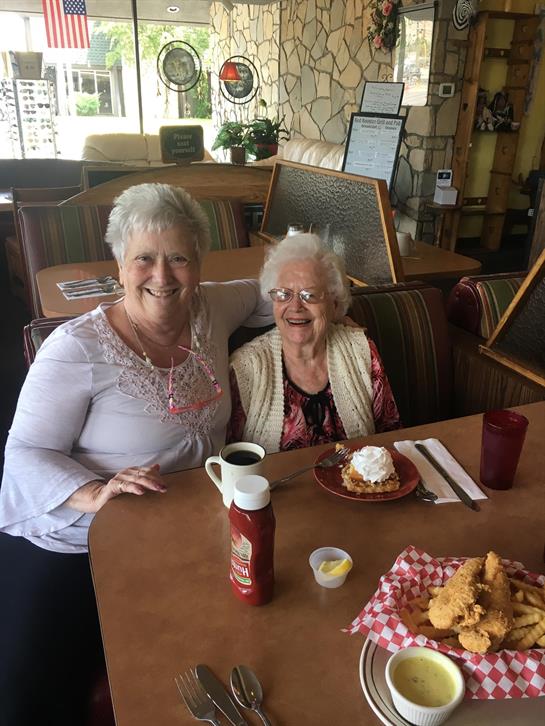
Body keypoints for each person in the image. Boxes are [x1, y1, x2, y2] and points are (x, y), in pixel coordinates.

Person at [0, 183, 271, 726]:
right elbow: (23, 453)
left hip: (180, 537)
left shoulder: (213, 306)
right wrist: (98, 492)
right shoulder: (77, 349)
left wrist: (314, 306)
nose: (162, 276)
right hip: (75, 546)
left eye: (178, 258)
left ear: (199, 265)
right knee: (30, 699)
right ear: (119, 265)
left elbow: (275, 290)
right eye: (144, 258)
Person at [228, 234, 401, 453]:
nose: (296, 306)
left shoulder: (361, 351)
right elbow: (231, 462)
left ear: (334, 302)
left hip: (356, 486)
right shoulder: (245, 368)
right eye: (283, 294)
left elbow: (392, 436)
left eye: (310, 295)